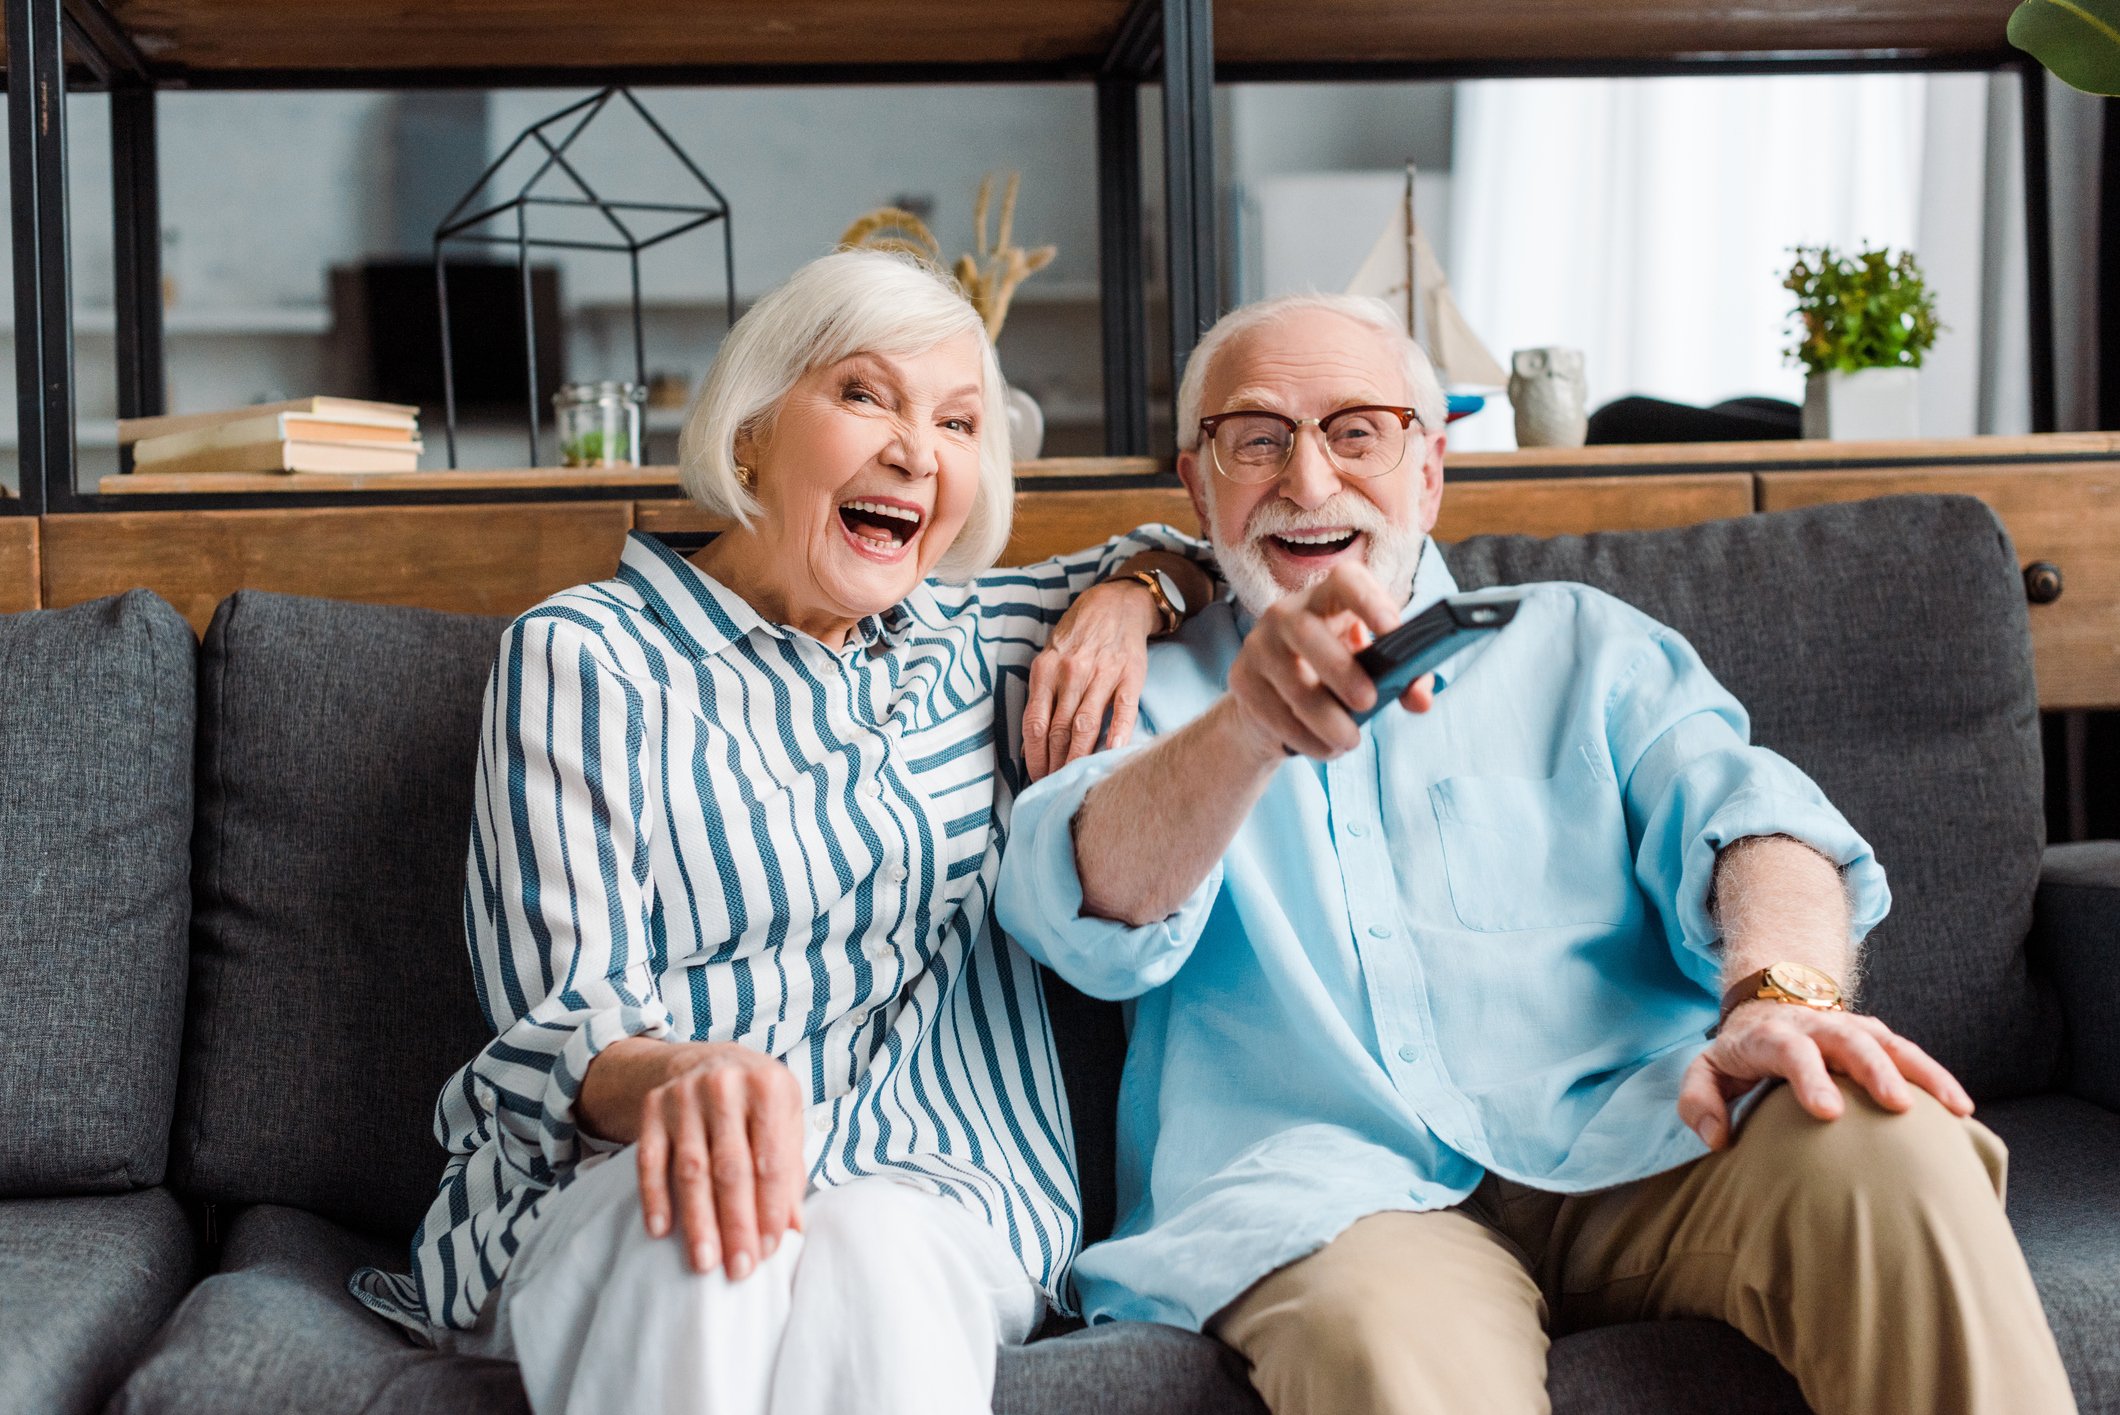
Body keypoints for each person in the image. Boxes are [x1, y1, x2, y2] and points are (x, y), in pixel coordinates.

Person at [995, 292, 2077, 1415]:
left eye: (1355, 431)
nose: (1306, 482)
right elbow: (1090, 900)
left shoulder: (1577, 641)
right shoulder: (1142, 686)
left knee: (1886, 1138)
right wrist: (1242, 727)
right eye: (1256, 439)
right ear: (1197, 484)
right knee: (1389, 1350)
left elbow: (1762, 824)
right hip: (1327, 1197)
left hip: (1650, 1133)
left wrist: (1775, 994)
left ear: (1428, 470)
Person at [349, 249, 1211, 1415]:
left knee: (875, 1257)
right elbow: (561, 1007)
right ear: (749, 427)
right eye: (865, 395)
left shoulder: (978, 635)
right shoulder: (587, 655)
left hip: (935, 1178)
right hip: (629, 1167)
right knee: (704, 1232)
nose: (914, 448)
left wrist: (1135, 591)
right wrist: (677, 1073)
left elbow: (1211, 549)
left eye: (957, 421)